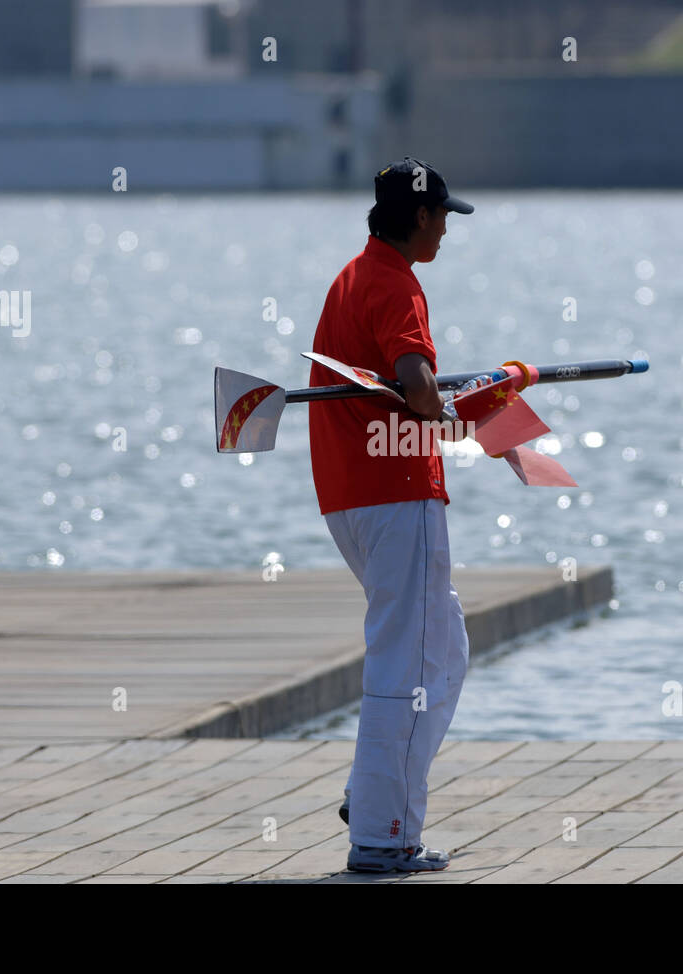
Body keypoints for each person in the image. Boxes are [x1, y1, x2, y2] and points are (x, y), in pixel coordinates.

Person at [307, 157, 474, 873]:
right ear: (420, 217)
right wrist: (466, 406)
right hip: (396, 491)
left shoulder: (351, 277)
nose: (446, 230)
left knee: (446, 653)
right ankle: (384, 837)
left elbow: (401, 384)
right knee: (406, 661)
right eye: (442, 217)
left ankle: (373, 791)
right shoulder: (398, 284)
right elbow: (418, 385)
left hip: (350, 496)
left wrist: (434, 396)